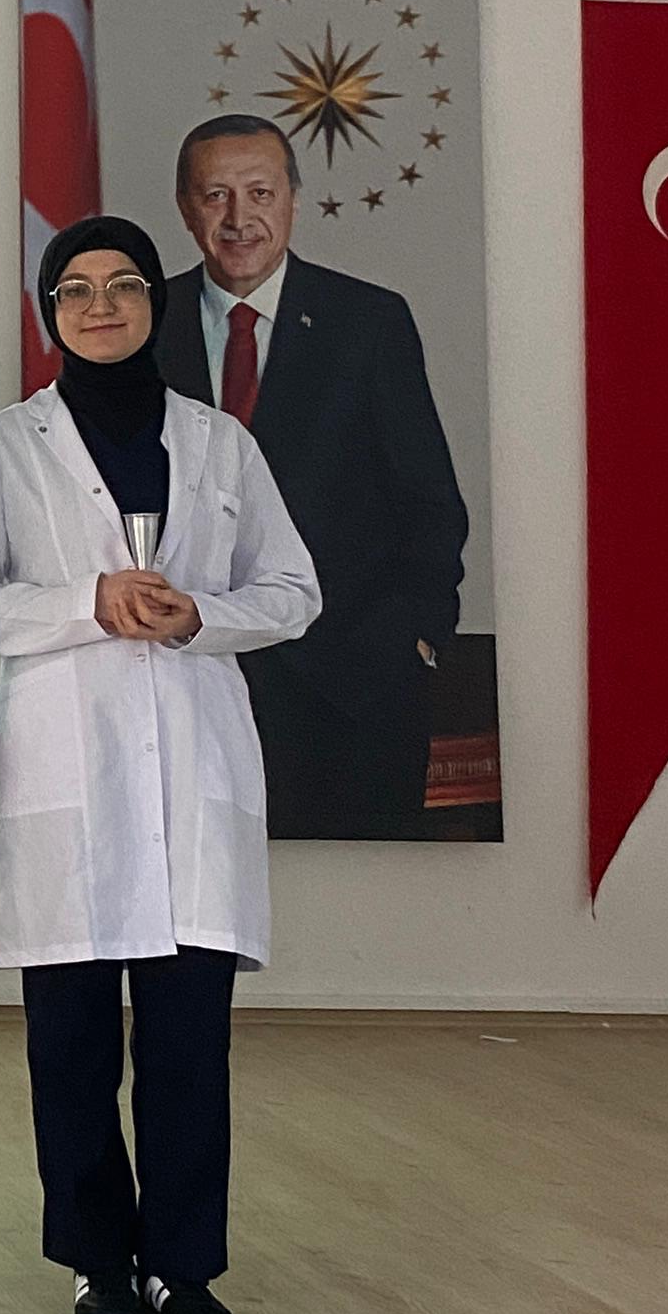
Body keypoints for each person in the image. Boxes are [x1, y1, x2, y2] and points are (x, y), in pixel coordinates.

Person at [0, 215, 320, 1314]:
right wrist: (89, 603)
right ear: (50, 313)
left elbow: (294, 589)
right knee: (70, 1042)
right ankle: (97, 1264)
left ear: (156, 305)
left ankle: (184, 1267)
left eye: (123, 286)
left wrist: (200, 614)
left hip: (194, 758)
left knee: (187, 1042)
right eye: (76, 290)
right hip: (67, 763)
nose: (101, 306)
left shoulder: (221, 444)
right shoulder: (4, 447)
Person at [159, 113, 470, 840]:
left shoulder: (369, 322)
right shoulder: (145, 323)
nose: (239, 219)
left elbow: (430, 502)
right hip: (184, 683)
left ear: (294, 200)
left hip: (351, 686)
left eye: (261, 193)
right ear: (185, 207)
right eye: (216, 195)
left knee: (359, 904)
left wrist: (416, 639)